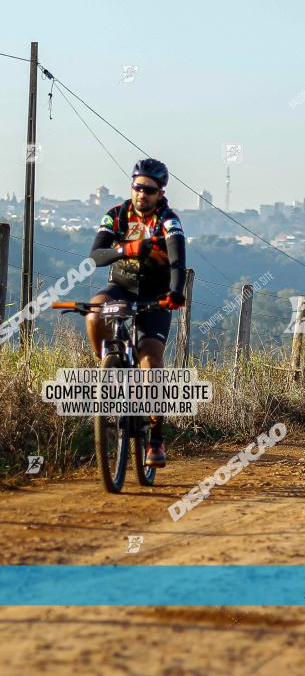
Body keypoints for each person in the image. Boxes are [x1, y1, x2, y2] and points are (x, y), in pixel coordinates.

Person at [86, 159, 186, 468]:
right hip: (122, 287)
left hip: (155, 295)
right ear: (131, 186)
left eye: (150, 190)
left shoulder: (168, 221)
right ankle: (108, 365)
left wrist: (175, 293)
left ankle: (155, 435)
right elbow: (96, 256)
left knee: (150, 360)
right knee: (93, 313)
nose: (142, 194)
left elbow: (177, 262)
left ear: (160, 193)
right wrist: (125, 250)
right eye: (138, 187)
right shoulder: (116, 216)